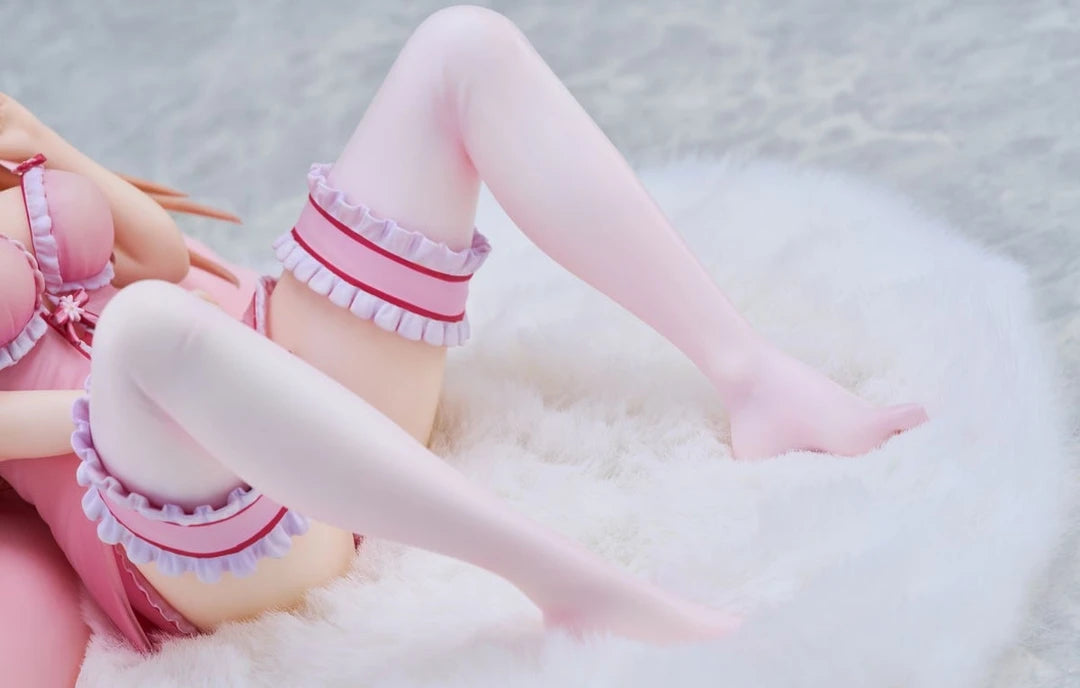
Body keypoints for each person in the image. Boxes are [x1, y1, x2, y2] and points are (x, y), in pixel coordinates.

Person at [0, 5, 928, 685]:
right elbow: (68, 400)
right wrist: (209, 394)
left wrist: (37, 138)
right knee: (145, 333)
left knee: (461, 47)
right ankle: (566, 584)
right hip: (186, 524)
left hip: (278, 369)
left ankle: (753, 379)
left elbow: (159, 256)